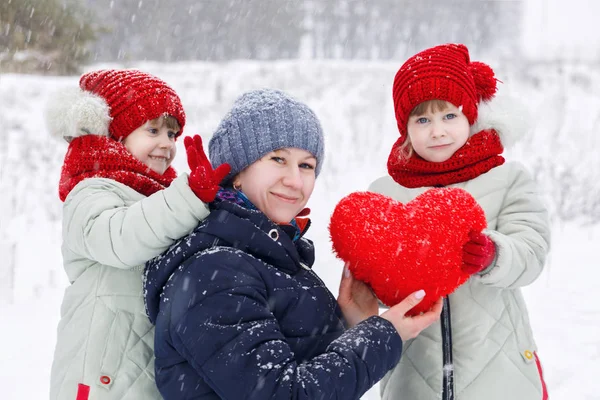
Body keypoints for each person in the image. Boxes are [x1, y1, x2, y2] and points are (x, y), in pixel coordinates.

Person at [143, 88, 443, 400]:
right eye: (278, 159)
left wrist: (352, 326)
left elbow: (302, 368)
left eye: (306, 165)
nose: (295, 181)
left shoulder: (269, 255)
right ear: (237, 173)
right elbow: (285, 394)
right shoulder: (214, 270)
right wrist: (381, 336)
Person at [368, 43, 551, 400]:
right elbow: (372, 287)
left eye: (449, 116)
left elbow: (531, 253)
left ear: (471, 116)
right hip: (414, 378)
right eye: (422, 119)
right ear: (404, 127)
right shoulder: (385, 193)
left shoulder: (508, 179)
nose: (437, 131)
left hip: (499, 374)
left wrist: (493, 253)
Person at [46, 69, 229, 400]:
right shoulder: (91, 191)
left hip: (148, 375)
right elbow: (121, 239)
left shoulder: (164, 200)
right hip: (98, 379)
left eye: (172, 134)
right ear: (115, 134)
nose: (166, 143)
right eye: (153, 129)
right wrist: (190, 196)